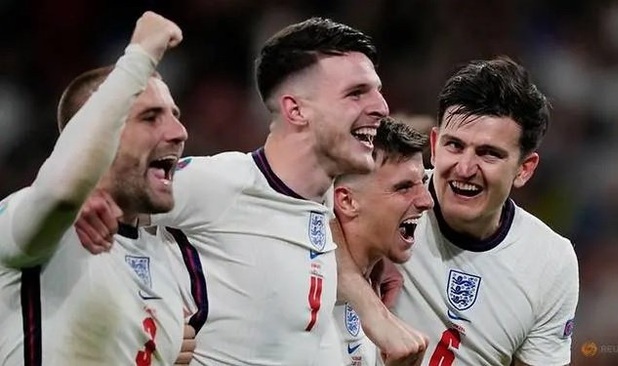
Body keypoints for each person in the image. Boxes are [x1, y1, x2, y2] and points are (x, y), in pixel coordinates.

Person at [76, 16, 428, 365]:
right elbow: (95, 202)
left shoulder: (321, 205)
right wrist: (144, 320)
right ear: (296, 109)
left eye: (377, 91)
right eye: (356, 93)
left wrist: (367, 298)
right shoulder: (221, 184)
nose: (381, 107)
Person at [339, 57, 580, 365]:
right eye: (454, 146)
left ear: (524, 169)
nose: (465, 168)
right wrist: (367, 304)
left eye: (488, 153)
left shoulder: (550, 261)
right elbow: (302, 213)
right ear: (435, 144)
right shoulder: (388, 199)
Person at [0, 11, 191, 365]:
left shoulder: (164, 259)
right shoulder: (30, 223)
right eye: (150, 117)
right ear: (99, 136)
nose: (179, 133)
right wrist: (139, 54)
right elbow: (59, 192)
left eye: (174, 114)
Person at [328, 116, 433, 366]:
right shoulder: (301, 287)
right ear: (347, 202)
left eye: (423, 182)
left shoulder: (375, 284)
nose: (426, 201)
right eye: (404, 187)